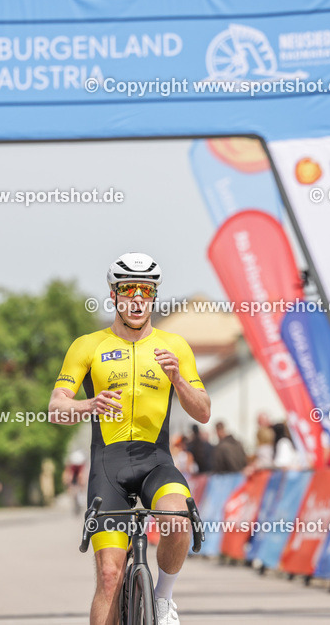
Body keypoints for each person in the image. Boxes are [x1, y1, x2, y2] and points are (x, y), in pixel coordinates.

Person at [49, 252, 210, 625]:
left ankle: (163, 598)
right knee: (110, 576)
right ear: (113, 295)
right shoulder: (88, 345)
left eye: (145, 290)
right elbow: (57, 408)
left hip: (156, 460)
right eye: (127, 289)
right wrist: (88, 404)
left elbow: (203, 411)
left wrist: (180, 381)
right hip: (109, 465)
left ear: (154, 296)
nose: (137, 298)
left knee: (177, 518)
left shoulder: (175, 346)